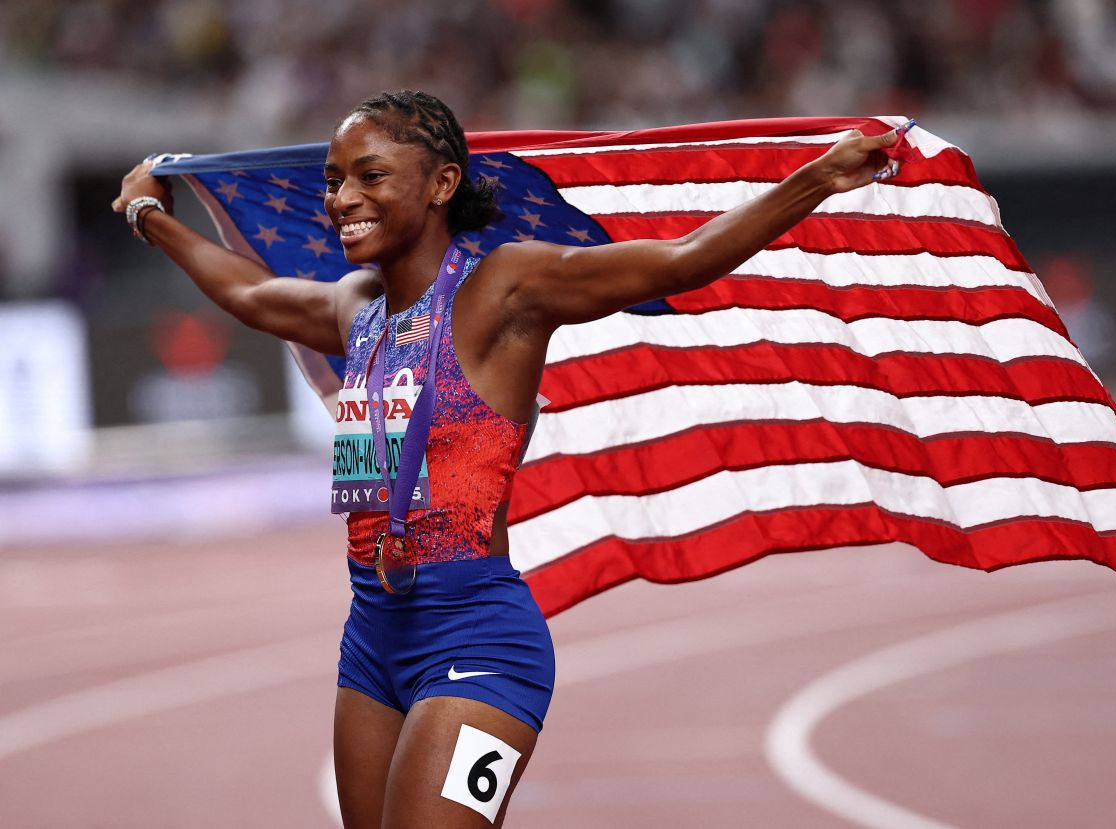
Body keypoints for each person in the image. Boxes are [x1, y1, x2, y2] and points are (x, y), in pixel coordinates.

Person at [112, 89, 901, 828]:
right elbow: (250, 295)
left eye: (370, 175)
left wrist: (819, 178)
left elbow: (679, 262)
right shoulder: (358, 309)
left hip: (478, 644)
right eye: (331, 181)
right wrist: (150, 212)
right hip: (372, 638)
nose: (341, 199)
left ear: (441, 183)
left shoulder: (504, 291)